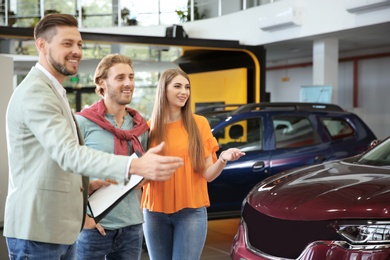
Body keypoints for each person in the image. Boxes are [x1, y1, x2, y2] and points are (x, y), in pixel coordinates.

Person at [4, 13, 183, 260]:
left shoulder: (53, 91)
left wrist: (87, 185)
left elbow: (54, 160)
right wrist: (134, 164)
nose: (77, 51)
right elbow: (68, 154)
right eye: (67, 43)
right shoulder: (37, 93)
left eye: (79, 44)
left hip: (59, 229)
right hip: (39, 231)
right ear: (42, 45)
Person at [141, 68, 245, 260]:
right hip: (154, 212)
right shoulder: (148, 129)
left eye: (187, 87)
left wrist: (222, 159)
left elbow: (207, 174)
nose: (184, 92)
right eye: (178, 86)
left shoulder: (199, 124)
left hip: (190, 212)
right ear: (163, 90)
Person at [75, 54, 147, 259]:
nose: (128, 83)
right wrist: (83, 218)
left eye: (131, 77)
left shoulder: (140, 126)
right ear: (101, 82)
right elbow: (66, 173)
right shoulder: (83, 123)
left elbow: (144, 171)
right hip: (93, 227)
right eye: (120, 78)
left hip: (132, 227)